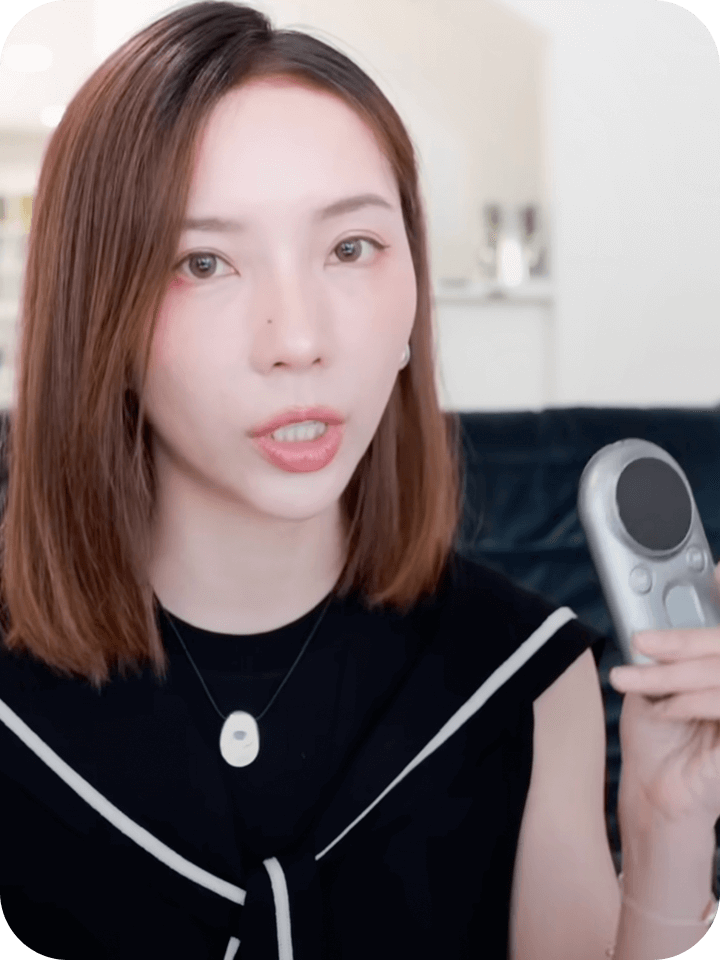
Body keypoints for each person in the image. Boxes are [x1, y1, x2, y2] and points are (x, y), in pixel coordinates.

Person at [0, 4, 717, 959]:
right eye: (202, 262)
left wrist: (669, 836)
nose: (299, 339)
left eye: (350, 249)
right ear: (98, 316)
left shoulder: (530, 679)